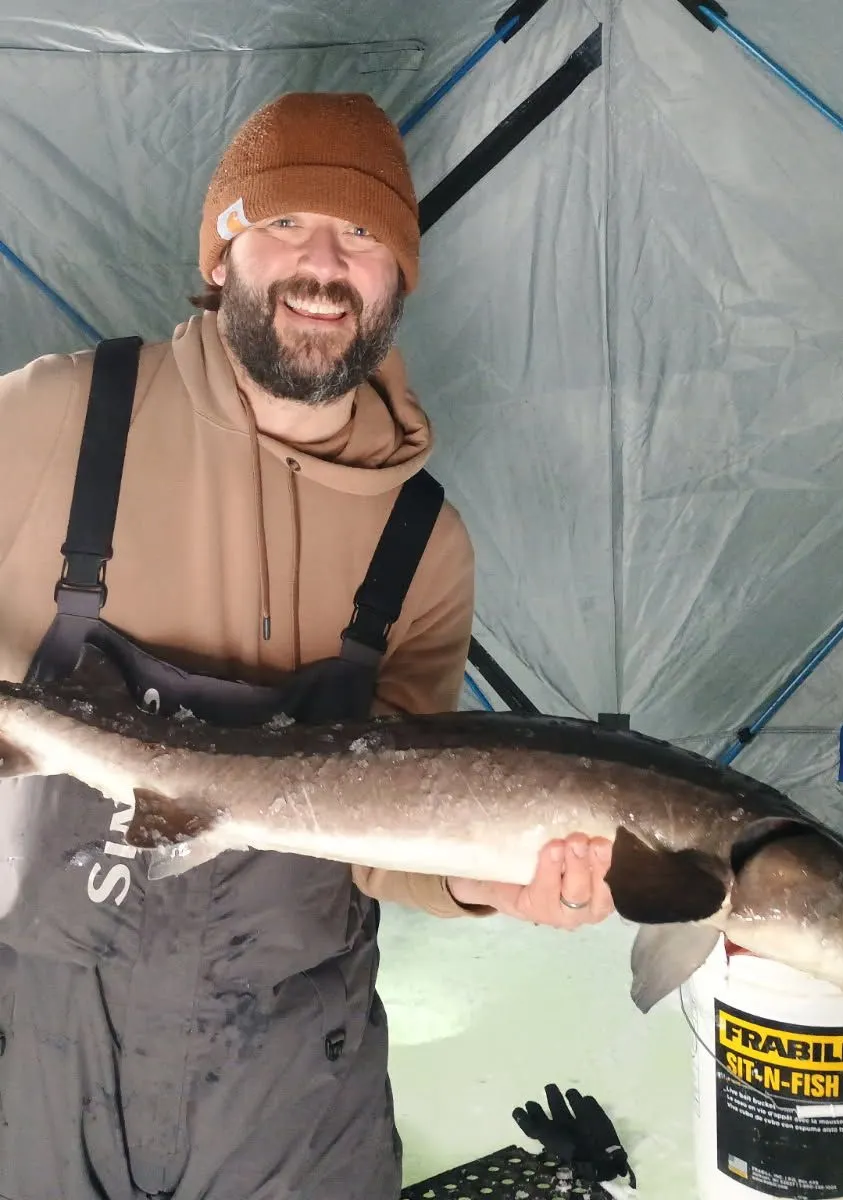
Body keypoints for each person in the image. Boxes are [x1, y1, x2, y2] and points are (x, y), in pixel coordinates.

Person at [0, 91, 613, 1200]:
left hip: (289, 1074)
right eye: (283, 224)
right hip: (36, 1045)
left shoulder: (423, 544)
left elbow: (391, 832)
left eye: (363, 234)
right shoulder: (58, 420)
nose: (322, 265)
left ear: (398, 278)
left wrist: (500, 890)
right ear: (222, 252)